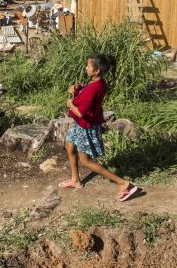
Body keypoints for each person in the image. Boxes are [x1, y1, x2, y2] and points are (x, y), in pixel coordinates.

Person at [59, 54, 138, 202]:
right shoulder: (98, 83)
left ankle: (123, 184)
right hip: (81, 125)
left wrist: (70, 105)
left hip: (86, 127)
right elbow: (88, 95)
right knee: (70, 146)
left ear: (97, 72)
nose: (85, 68)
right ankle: (75, 180)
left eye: (88, 67)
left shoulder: (93, 88)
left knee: (85, 161)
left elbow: (81, 112)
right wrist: (78, 89)